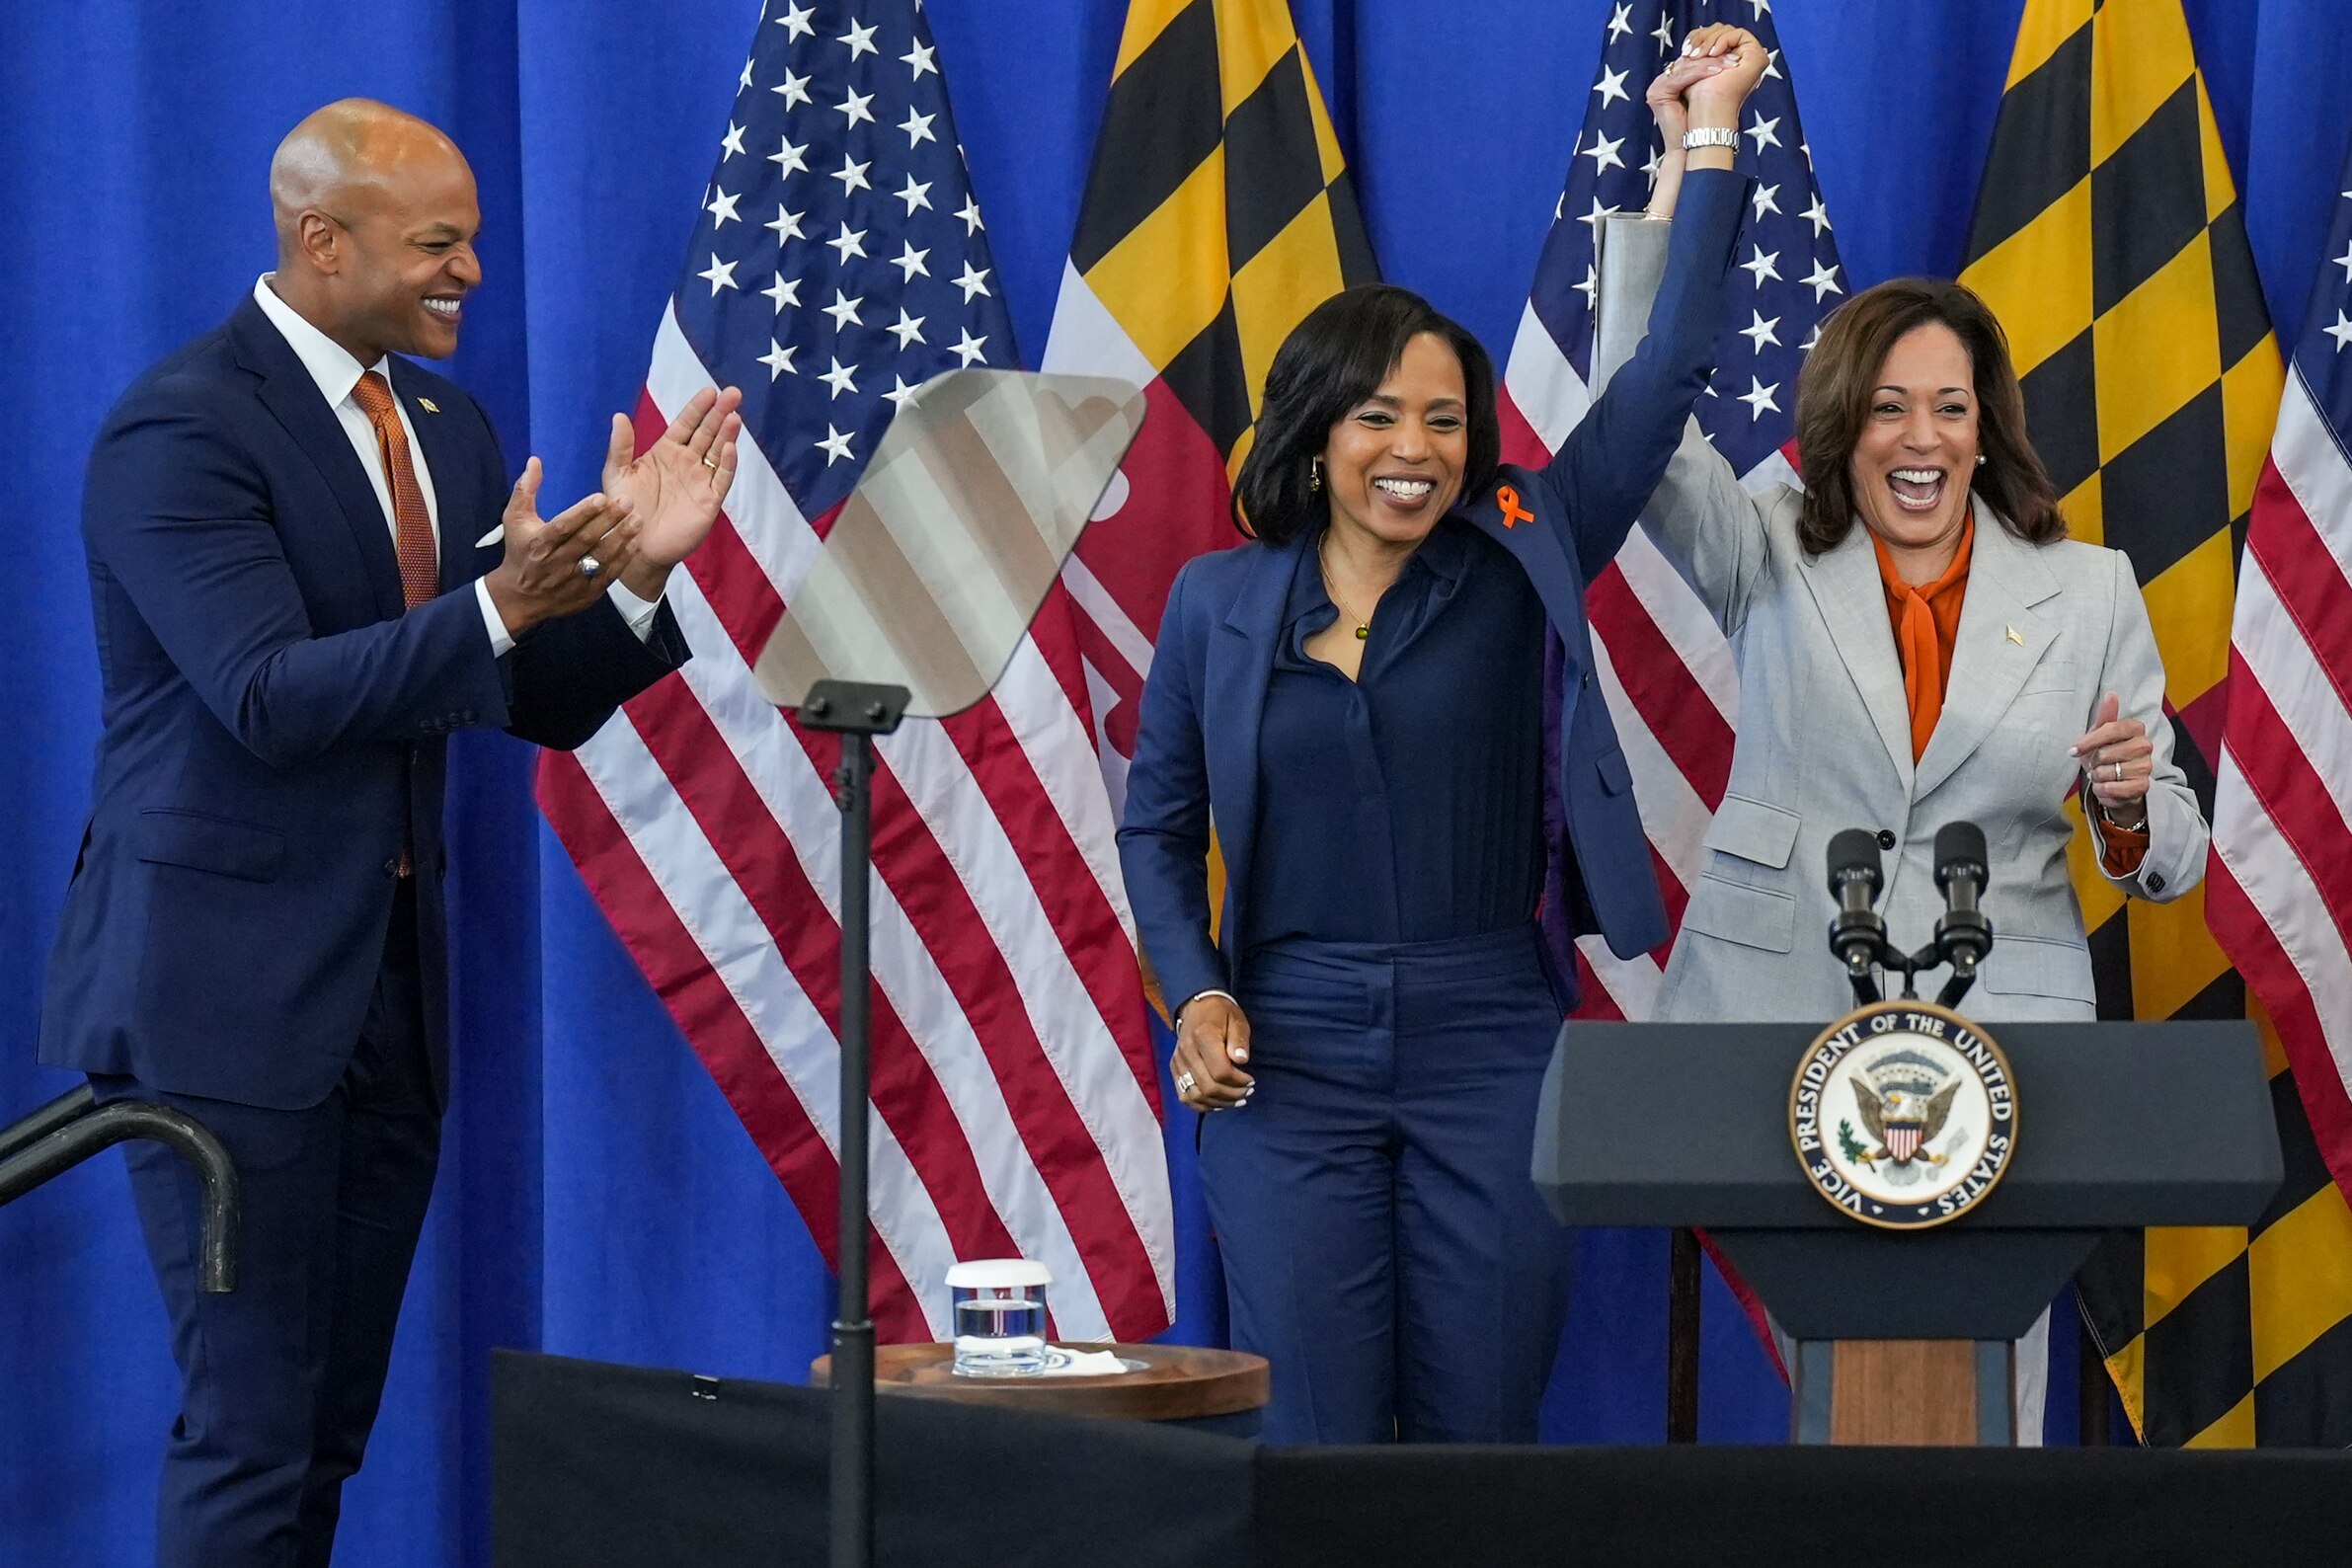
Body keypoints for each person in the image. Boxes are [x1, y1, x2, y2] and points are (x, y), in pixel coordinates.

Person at [38, 100, 743, 1567]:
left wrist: (631, 581)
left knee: (324, 1434)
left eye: (472, 239)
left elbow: (529, 700)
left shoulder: (442, 423)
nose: (471, 272)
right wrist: (504, 602)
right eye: (440, 244)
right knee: (248, 1430)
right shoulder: (183, 425)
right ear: (320, 241)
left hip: (387, 1005)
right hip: (221, 1007)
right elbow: (267, 699)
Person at [1117, 27, 1767, 1443]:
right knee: (1319, 1438)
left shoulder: (1520, 552)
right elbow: (1157, 827)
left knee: (1477, 1433)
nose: (1415, 446)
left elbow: (1663, 375)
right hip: (1281, 1057)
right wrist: (1197, 994)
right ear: (1314, 434)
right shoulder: (1215, 603)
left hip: (1492, 1038)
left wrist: (1699, 141)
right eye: (1378, 416)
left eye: (1445, 420)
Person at [1620, 102, 2207, 1436]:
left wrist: (2124, 811)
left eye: (1949, 407)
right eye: (1887, 409)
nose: (1920, 438)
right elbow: (1636, 418)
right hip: (1774, 1018)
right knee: (1824, 1382)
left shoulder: (2088, 589)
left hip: (2001, 1038)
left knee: (1985, 1392)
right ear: (1845, 421)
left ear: (1988, 428)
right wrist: (1680, 163)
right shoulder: (1767, 538)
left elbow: (2171, 852)